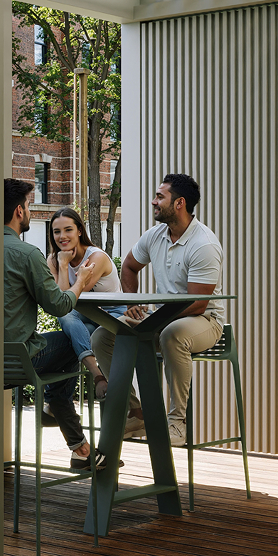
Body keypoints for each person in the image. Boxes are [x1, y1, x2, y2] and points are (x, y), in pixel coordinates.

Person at [91, 173, 223, 448]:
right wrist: (133, 303)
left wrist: (156, 320)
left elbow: (197, 303)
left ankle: (177, 423)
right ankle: (135, 411)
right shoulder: (155, 235)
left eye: (160, 196)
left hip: (203, 320)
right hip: (163, 319)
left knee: (172, 334)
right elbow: (128, 266)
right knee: (103, 336)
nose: (153, 201)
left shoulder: (204, 244)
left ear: (179, 204)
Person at [2, 179, 95, 468]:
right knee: (72, 338)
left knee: (63, 341)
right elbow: (59, 305)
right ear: (19, 211)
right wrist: (79, 282)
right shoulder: (26, 254)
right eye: (29, 206)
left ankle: (77, 443)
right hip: (17, 361)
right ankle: (61, 414)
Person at [46, 206, 117, 390]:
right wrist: (62, 265)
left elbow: (66, 300)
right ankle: (97, 376)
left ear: (79, 230)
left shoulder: (96, 257)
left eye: (68, 229)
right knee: (67, 320)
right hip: (85, 318)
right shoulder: (54, 260)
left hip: (111, 317)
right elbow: (63, 305)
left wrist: (63, 266)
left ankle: (56, 402)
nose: (62, 236)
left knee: (68, 330)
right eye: (57, 231)